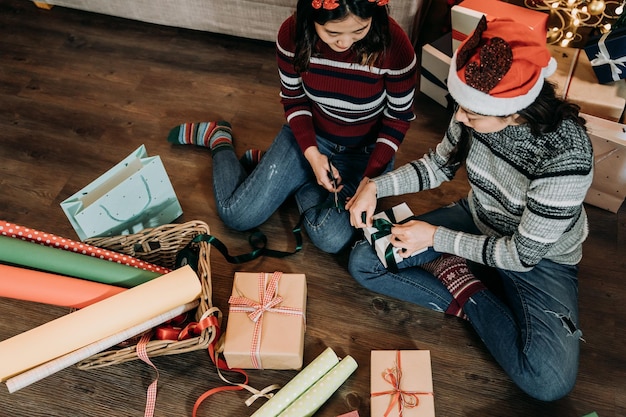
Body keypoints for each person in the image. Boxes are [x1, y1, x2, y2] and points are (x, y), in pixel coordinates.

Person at [346, 16, 594, 401]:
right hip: (477, 221)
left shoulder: (566, 158)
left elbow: (522, 255)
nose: (459, 118)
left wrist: (436, 239)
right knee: (365, 260)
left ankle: (462, 281)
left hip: (541, 260)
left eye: (471, 115)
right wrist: (374, 186)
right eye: (460, 107)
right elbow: (437, 165)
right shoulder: (474, 108)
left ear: (515, 112)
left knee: (549, 383)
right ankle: (470, 282)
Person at [167, 0, 417, 254]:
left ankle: (290, 173)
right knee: (237, 216)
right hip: (311, 137)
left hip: (366, 152)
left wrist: (369, 182)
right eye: (333, 33)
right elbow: (294, 98)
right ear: (312, 16)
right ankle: (218, 138)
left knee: (332, 238)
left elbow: (398, 117)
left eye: (359, 30)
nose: (345, 43)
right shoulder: (292, 33)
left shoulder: (395, 45)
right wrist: (311, 153)